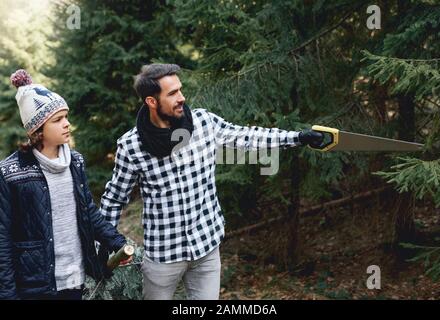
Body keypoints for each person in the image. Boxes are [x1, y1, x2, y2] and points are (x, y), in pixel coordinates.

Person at [99, 63, 324, 300]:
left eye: (180, 90)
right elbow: (114, 199)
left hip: (206, 248)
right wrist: (103, 247)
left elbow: (247, 137)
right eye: (172, 93)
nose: (182, 98)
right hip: (163, 257)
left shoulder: (203, 123)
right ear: (151, 102)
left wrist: (298, 137)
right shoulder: (131, 145)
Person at [0, 70, 129, 300]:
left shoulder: (75, 162)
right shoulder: (10, 172)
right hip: (34, 287)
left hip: (74, 280)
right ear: (37, 130)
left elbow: (88, 211)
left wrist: (116, 241)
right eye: (58, 120)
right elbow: (3, 239)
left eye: (66, 117)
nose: (67, 124)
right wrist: (8, 294)